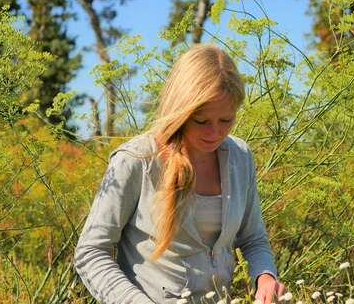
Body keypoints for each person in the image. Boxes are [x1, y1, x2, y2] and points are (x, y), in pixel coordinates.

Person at [74, 44, 285, 304]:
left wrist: (264, 277)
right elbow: (91, 252)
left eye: (226, 120)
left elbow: (253, 239)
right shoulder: (135, 161)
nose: (215, 133)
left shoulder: (240, 157)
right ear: (180, 111)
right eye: (201, 121)